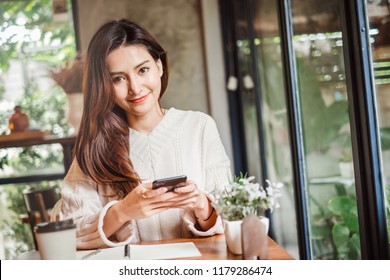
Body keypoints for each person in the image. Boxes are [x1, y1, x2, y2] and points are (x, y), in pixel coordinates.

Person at [61, 19, 232, 249]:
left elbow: (233, 214)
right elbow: (69, 233)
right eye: (118, 78)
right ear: (103, 85)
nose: (135, 87)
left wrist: (202, 205)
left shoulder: (200, 127)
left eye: (143, 70)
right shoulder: (94, 146)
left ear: (159, 66)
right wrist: (123, 211)